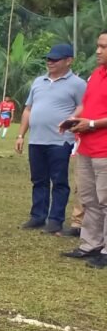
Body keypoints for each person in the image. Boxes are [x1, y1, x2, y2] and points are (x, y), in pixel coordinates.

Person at [14, 44, 85, 234]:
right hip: (37, 140)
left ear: (68, 61)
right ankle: (38, 216)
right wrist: (21, 135)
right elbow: (28, 109)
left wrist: (70, 120)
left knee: (59, 181)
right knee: (38, 180)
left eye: (55, 59)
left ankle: (55, 220)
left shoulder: (78, 84)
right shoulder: (39, 82)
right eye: (48, 59)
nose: (50, 62)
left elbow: (83, 106)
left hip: (61, 141)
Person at [62, 31, 107, 267]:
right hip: (87, 147)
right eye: (98, 46)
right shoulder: (96, 74)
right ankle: (90, 245)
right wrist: (74, 118)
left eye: (103, 47)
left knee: (105, 200)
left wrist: (91, 124)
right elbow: (86, 104)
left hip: (105, 149)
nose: (98, 51)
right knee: (89, 199)